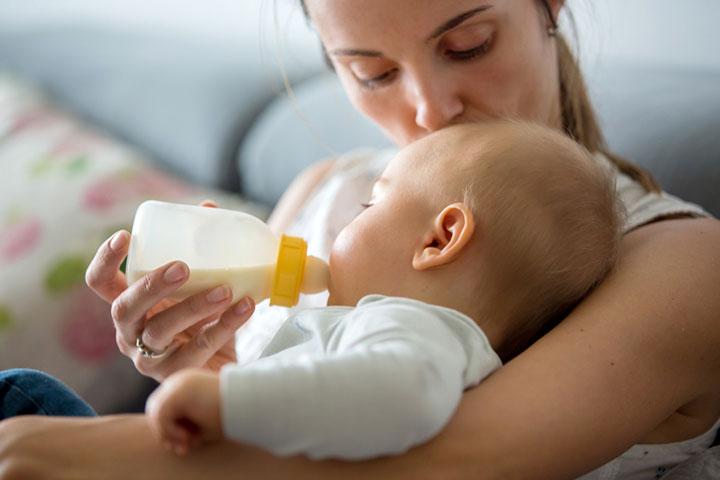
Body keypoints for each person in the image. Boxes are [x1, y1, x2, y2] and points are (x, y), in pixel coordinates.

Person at [1, 1, 719, 479]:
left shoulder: (682, 262)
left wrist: (121, 452)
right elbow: (278, 421)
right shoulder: (324, 191)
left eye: (468, 44)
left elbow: (444, 459)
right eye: (372, 71)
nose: (430, 109)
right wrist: (196, 367)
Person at [144, 121, 621, 459]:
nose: (335, 231)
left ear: (438, 241)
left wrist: (230, 401)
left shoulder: (412, 325)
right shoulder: (387, 327)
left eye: (369, 203)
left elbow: (403, 395)